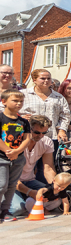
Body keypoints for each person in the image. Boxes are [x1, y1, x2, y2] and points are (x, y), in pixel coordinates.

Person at [9, 115, 57, 217]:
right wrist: (31, 192)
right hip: (11, 183)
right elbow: (10, 177)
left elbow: (48, 168)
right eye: (36, 132)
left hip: (30, 180)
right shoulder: (16, 142)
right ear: (28, 128)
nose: (40, 136)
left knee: (57, 197)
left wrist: (55, 186)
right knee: (17, 209)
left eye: (44, 133)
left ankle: (29, 201)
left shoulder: (47, 142)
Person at [1, 90, 31, 222]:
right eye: (15, 101)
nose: (19, 103)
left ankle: (5, 210)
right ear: (4, 101)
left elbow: (27, 139)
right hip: (2, 157)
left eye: (21, 101)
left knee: (12, 184)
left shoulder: (24, 121)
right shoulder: (1, 118)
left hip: (18, 158)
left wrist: (17, 152)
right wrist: (9, 151)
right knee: (2, 184)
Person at [21, 69, 69, 143]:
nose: (46, 80)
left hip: (51, 136)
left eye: (48, 78)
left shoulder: (58, 97)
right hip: (28, 136)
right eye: (42, 78)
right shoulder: (23, 94)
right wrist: (19, 118)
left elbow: (65, 116)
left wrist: (62, 130)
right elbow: (5, 108)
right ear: (34, 80)